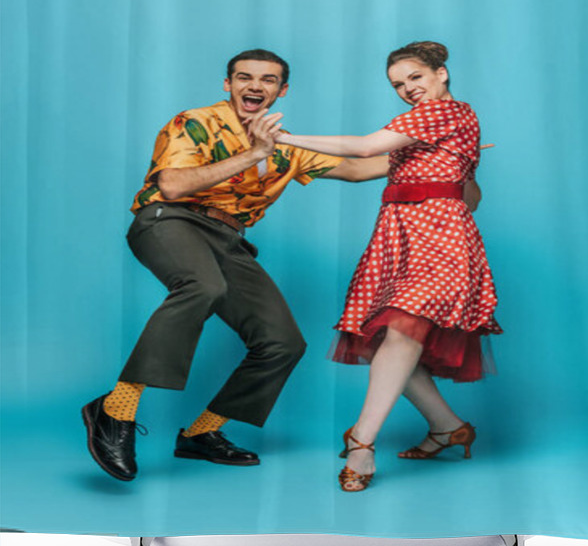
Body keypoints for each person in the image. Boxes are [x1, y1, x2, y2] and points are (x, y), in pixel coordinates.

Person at [82, 48, 387, 482]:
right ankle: (114, 410)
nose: (255, 87)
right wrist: (252, 152)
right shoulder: (196, 123)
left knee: (282, 342)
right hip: (169, 220)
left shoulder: (288, 147)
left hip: (228, 239)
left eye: (267, 80)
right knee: (202, 286)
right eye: (245, 78)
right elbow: (171, 185)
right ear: (229, 84)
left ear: (282, 91)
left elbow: (358, 169)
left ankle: (201, 434)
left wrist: (443, 153)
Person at [261, 41, 502, 492]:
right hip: (400, 241)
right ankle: (448, 427)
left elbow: (365, 145)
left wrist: (284, 137)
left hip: (440, 241)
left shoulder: (444, 113)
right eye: (398, 85)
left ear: (441, 74)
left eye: (416, 78)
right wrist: (282, 162)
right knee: (387, 341)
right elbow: (358, 169)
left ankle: (361, 443)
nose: (408, 89)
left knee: (403, 331)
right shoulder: (434, 129)